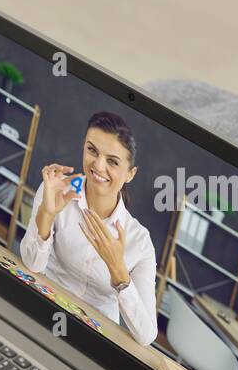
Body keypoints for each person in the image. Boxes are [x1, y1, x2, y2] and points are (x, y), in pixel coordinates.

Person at [20, 111, 158, 347]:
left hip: (92, 342)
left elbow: (147, 336)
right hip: (43, 310)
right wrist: (47, 213)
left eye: (113, 161)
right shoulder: (56, 190)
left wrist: (117, 269)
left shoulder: (140, 241)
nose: (98, 166)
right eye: (92, 150)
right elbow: (32, 264)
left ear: (130, 174)